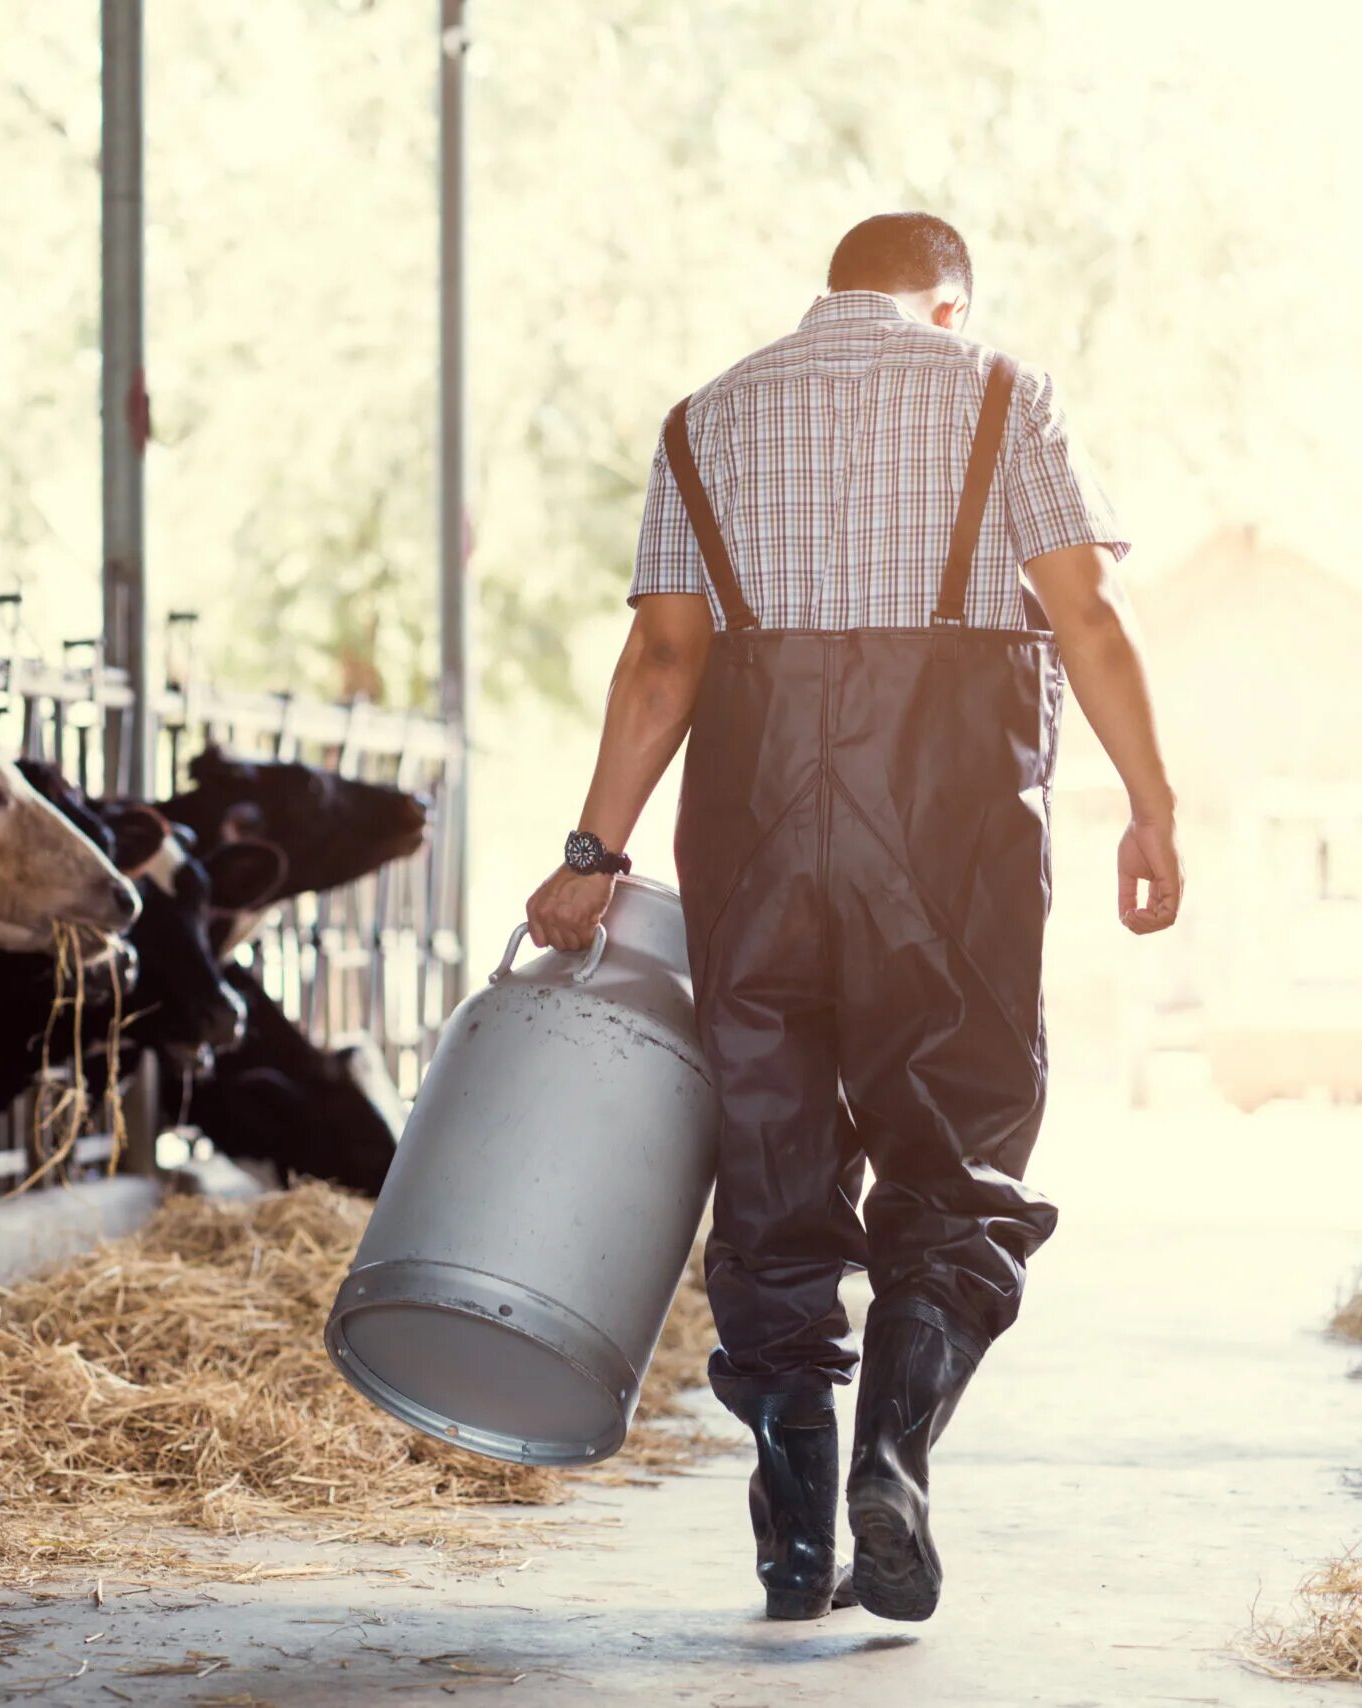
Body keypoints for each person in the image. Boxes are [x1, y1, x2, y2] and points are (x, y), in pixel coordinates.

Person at [522, 212, 1181, 1623]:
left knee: (772, 1156)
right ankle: (893, 1452)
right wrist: (1153, 803)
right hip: (948, 838)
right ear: (950, 305)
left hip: (753, 831)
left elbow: (663, 657)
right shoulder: (1004, 390)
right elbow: (1090, 617)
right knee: (956, 1150)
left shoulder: (709, 418)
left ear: (834, 294)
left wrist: (595, 850)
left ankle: (791, 1526)